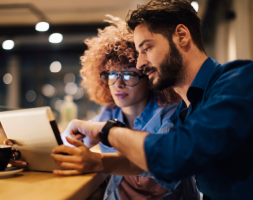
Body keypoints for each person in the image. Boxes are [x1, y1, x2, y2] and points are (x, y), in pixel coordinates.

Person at [52, 0, 253, 199]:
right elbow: (148, 161)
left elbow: (175, 153)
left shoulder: (240, 78)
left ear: (181, 36)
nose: (140, 63)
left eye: (146, 48)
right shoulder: (186, 108)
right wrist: (99, 162)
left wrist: (106, 130)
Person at [52, 15, 200, 200]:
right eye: (112, 74)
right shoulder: (110, 112)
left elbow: (157, 159)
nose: (118, 84)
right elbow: (75, 140)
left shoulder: (169, 116)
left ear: (150, 77)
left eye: (129, 74)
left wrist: (99, 161)